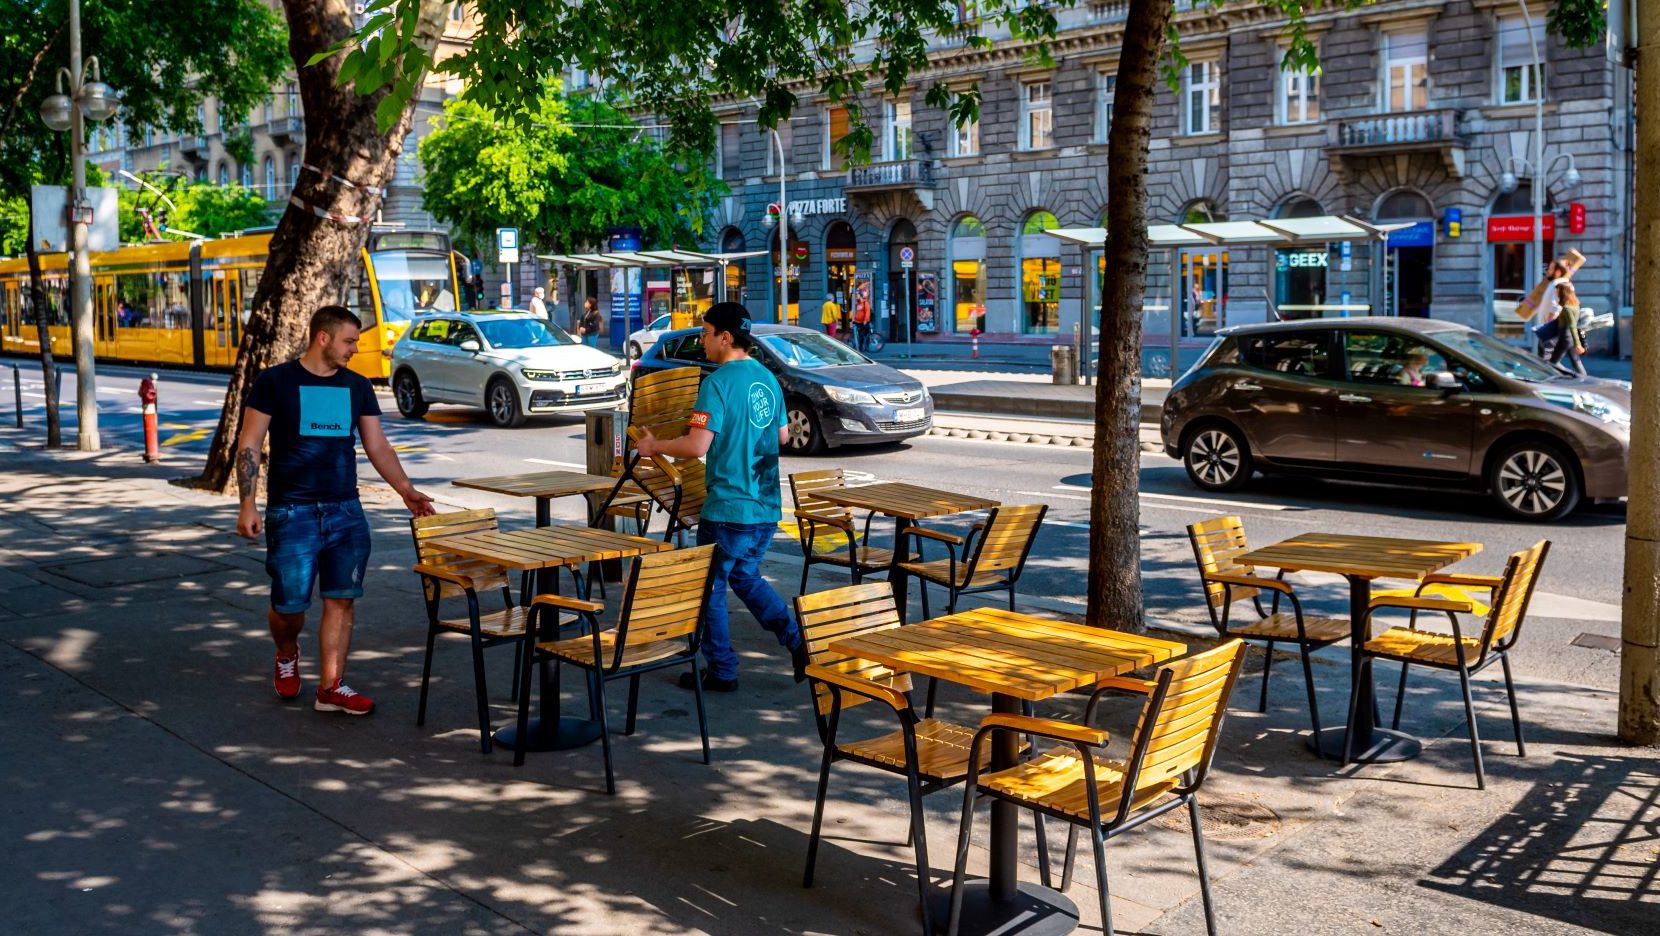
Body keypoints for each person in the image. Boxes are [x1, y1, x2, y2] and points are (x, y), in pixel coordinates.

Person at [235, 305, 435, 715]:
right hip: (293, 512)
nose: (354, 348)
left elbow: (377, 445)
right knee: (290, 607)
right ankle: (287, 652)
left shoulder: (357, 387)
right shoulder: (276, 382)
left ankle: (331, 686)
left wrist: (406, 490)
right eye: (349, 341)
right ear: (322, 338)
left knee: (341, 599)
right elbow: (250, 443)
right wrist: (247, 503)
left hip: (345, 510)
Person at [634, 302, 808, 692]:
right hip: (764, 505)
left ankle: (723, 670)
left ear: (725, 338)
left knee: (710, 588)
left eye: (706, 332)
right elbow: (782, 437)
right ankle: (798, 641)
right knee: (745, 576)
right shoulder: (768, 378)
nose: (701, 339)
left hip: (728, 506)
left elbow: (697, 446)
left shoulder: (716, 384)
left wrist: (653, 445)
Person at [1530, 259, 1571, 357]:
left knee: (1547, 360)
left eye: (1551, 268)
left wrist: (1547, 326)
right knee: (1550, 360)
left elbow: (1556, 306)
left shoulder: (1559, 284)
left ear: (1558, 271)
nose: (1548, 270)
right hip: (1549, 328)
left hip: (1550, 330)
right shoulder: (1555, 283)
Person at [1548, 281, 1589, 376]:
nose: (1556, 294)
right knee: (1576, 362)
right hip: (1568, 338)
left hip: (1565, 337)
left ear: (1563, 293)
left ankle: (1571, 376)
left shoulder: (1567, 308)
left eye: (1557, 292)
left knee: (1552, 363)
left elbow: (1572, 325)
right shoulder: (1575, 305)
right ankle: (1584, 378)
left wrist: (1578, 344)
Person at [851, 286, 873, 351]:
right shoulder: (858, 303)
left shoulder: (865, 303)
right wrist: (854, 320)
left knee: (864, 335)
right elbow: (858, 312)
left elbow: (867, 313)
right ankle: (860, 347)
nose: (856, 296)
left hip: (864, 322)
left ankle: (866, 347)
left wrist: (865, 321)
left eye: (857, 295)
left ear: (860, 295)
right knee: (860, 336)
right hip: (858, 322)